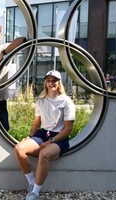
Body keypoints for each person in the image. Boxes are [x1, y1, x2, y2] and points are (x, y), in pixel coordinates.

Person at [14, 70, 75, 200]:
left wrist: (51, 141)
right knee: (19, 149)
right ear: (45, 83)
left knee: (44, 154)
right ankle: (31, 183)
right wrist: (30, 137)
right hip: (43, 133)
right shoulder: (41, 100)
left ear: (59, 83)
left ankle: (35, 192)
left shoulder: (66, 102)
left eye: (54, 80)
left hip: (60, 137)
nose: (51, 83)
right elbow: (37, 123)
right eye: (49, 80)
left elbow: (68, 129)